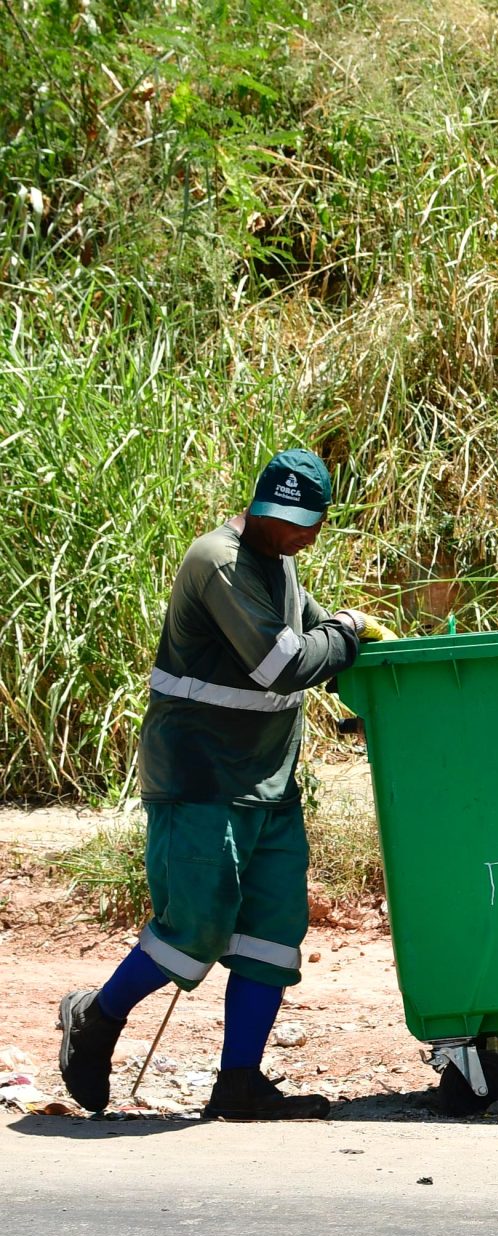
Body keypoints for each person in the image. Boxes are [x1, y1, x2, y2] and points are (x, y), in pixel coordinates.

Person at [55, 450, 391, 1120]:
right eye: (284, 519)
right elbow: (281, 661)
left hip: (266, 782)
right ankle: (95, 1018)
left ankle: (238, 1082)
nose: (298, 534)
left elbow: (317, 647)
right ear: (257, 506)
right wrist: (349, 632)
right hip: (201, 778)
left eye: (308, 523)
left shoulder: (281, 565)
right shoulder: (219, 560)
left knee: (273, 931)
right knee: (195, 928)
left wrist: (368, 678)